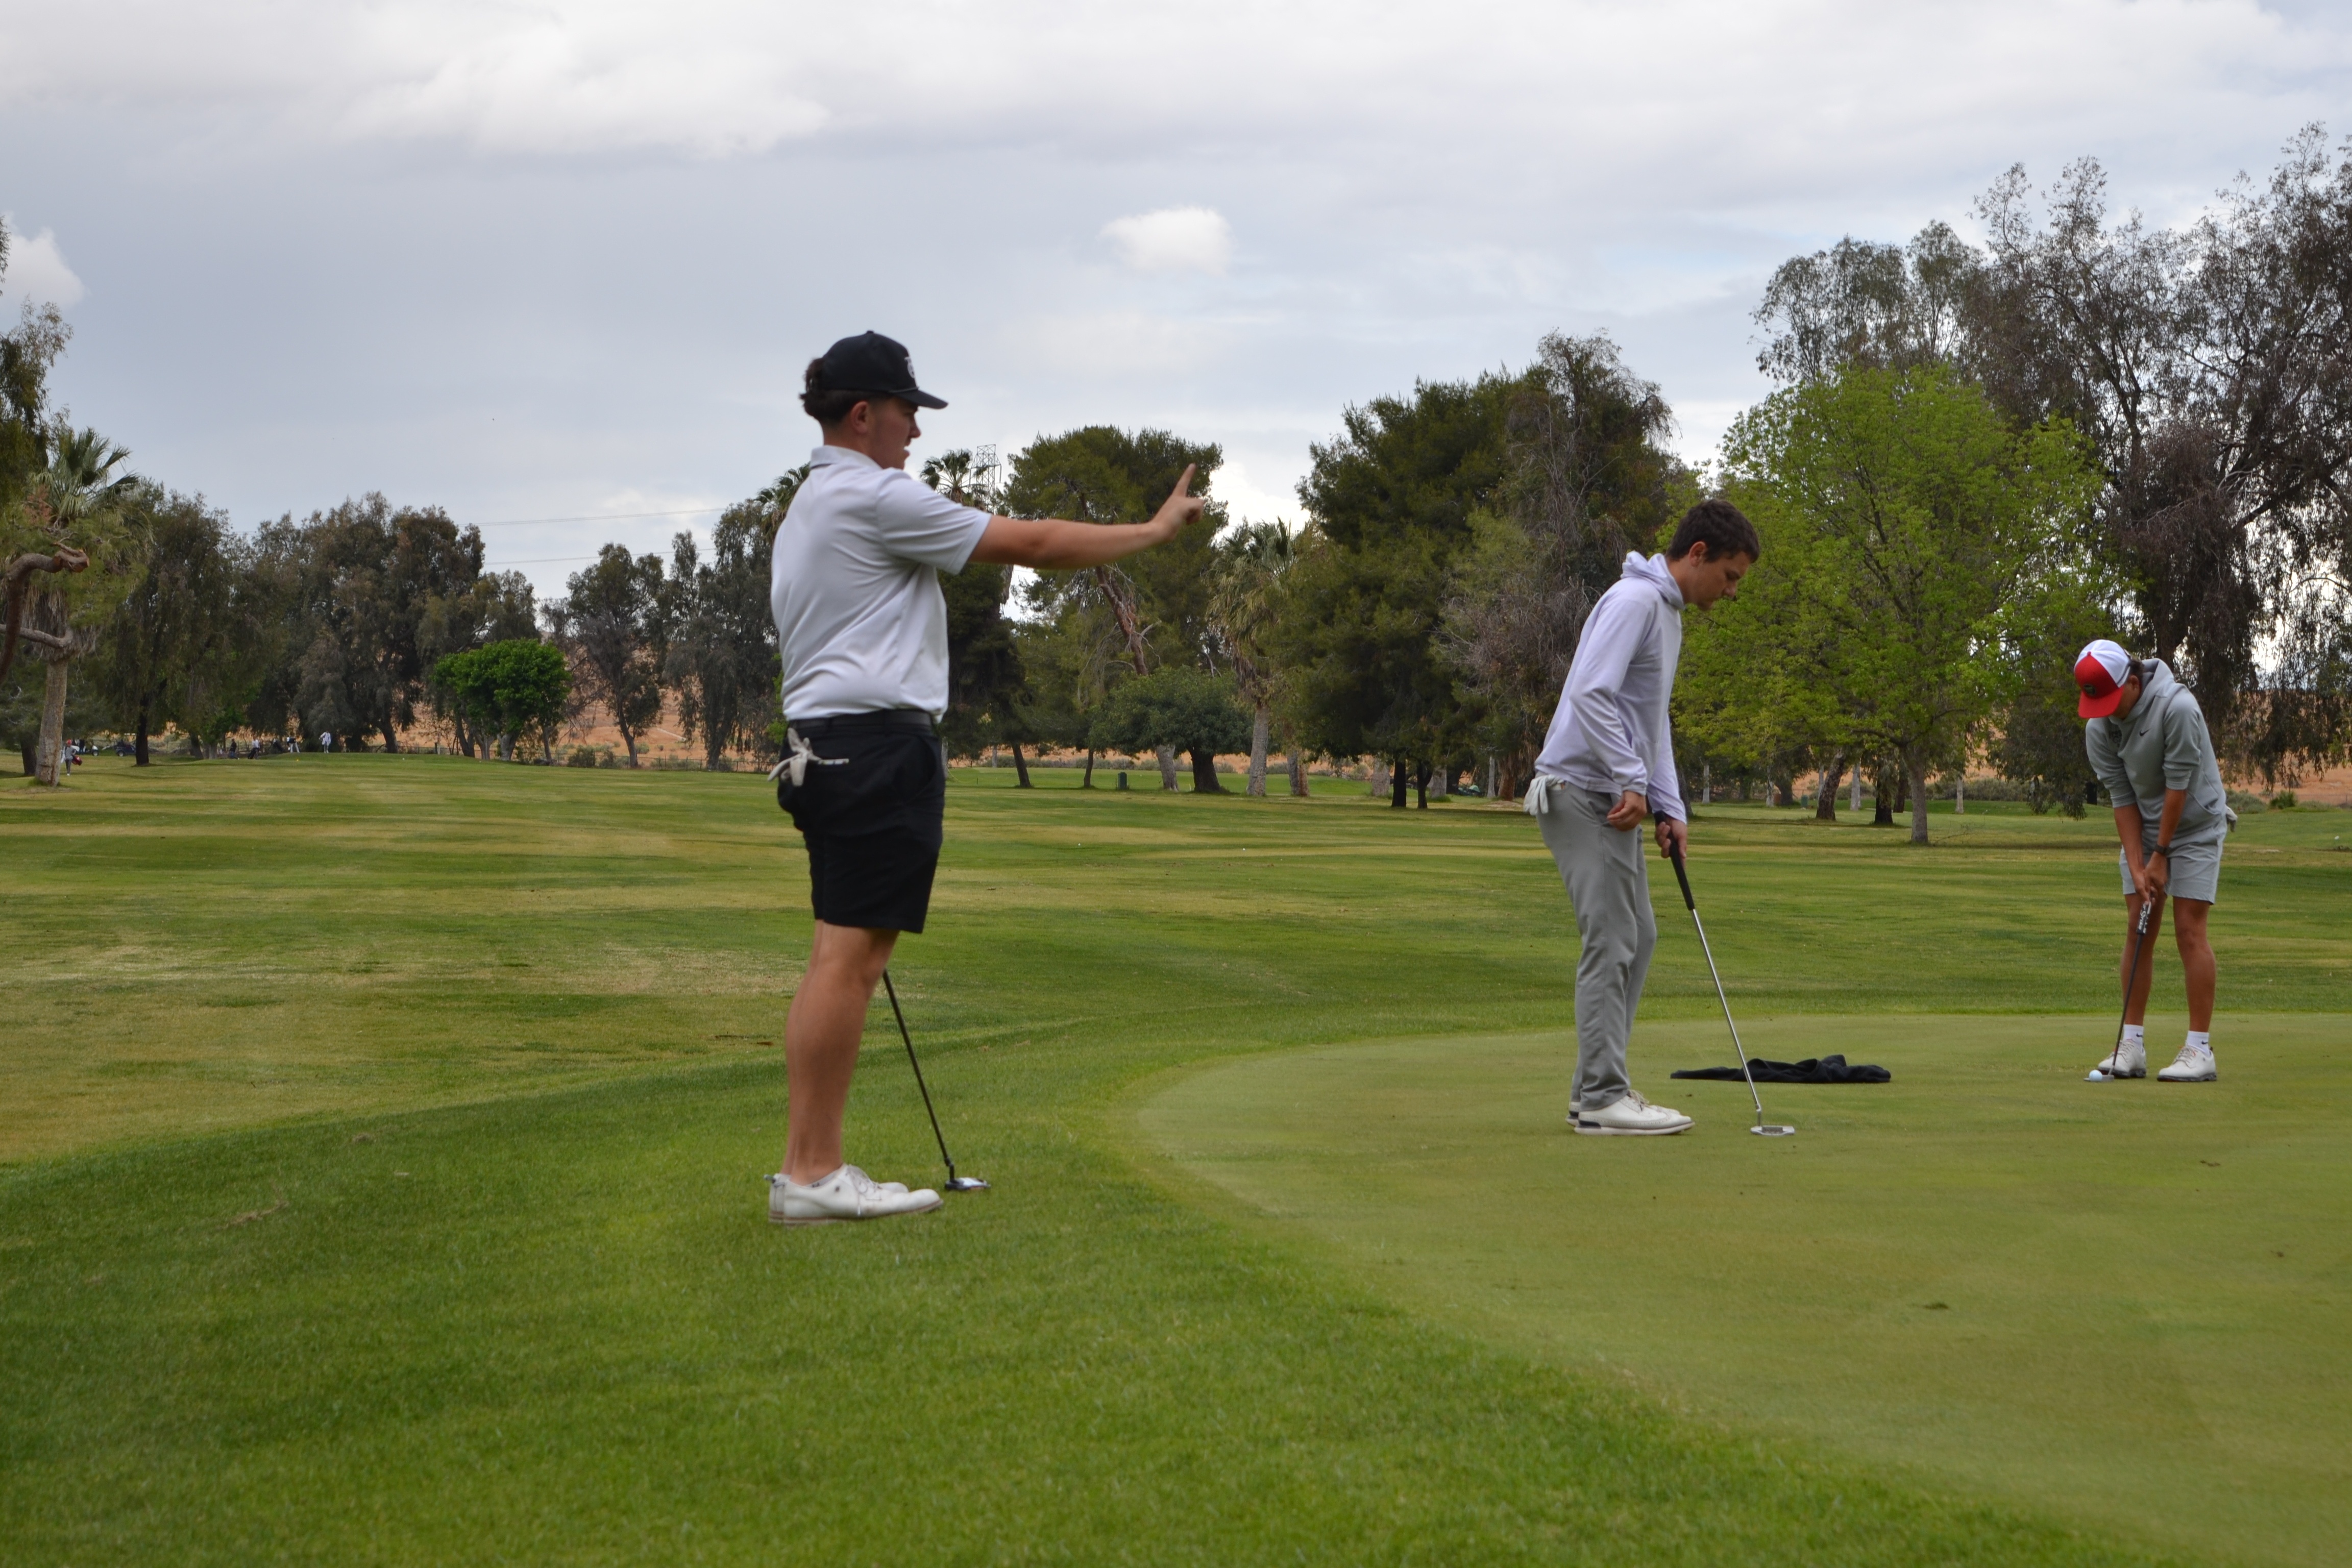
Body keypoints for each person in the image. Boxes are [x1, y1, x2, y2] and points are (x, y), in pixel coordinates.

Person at [766, 331, 1206, 1224]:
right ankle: (812, 1172)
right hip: (872, 747)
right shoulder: (871, 495)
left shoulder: (813, 501)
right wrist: (1154, 531)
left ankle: (808, 1168)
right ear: (862, 415)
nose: (913, 435)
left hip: (831, 746)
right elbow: (1035, 543)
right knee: (848, 961)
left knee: (839, 955)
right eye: (905, 414)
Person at [1524, 500, 1758, 1135]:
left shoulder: (1668, 613)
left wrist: (1670, 806)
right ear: (1699, 554)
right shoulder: (1635, 602)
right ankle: (1602, 1098)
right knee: (1613, 938)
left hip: (1614, 798)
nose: (1732, 592)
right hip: (1579, 791)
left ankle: (1595, 1089)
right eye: (1731, 577)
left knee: (1642, 936)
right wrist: (1631, 780)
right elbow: (1591, 693)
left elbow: (1651, 722)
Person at [2075, 639, 2232, 1082]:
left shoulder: (2177, 709)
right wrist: (2138, 861)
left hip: (2197, 824)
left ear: (2131, 680)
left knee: (2189, 929)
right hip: (2145, 827)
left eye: (2109, 699)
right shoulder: (2099, 728)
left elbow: (2179, 786)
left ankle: (2199, 1051)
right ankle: (2131, 1045)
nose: (2104, 711)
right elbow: (2122, 797)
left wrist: (2160, 858)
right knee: (2138, 926)